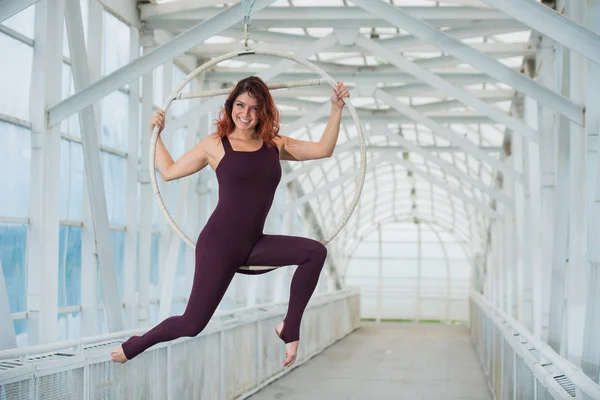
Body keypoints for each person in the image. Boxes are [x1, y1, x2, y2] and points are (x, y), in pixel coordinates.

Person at [111, 76, 350, 368]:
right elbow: (169, 171)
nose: (246, 114)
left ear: (263, 110)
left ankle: (290, 327)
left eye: (253, 107)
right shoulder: (215, 145)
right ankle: (134, 346)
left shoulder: (275, 144)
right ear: (230, 105)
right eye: (240, 105)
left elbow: (324, 149)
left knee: (315, 252)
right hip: (219, 244)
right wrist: (155, 134)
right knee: (192, 324)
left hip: (254, 242)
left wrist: (336, 109)